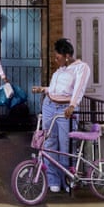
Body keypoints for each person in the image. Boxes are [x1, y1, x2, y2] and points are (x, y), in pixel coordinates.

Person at [32, 38, 90, 193]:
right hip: (49, 105)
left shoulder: (81, 68)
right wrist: (43, 89)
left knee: (65, 145)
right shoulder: (60, 70)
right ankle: (53, 180)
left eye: (58, 57)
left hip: (65, 109)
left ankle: (67, 179)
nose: (56, 60)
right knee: (49, 142)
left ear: (67, 55)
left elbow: (79, 88)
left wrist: (72, 105)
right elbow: (57, 89)